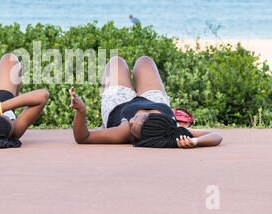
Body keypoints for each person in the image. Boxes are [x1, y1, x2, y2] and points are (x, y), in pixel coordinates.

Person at [68, 56, 222, 148]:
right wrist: (195, 141)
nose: (131, 122)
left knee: (116, 62)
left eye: (133, 127)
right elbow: (216, 135)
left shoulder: (124, 130)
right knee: (145, 61)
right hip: (155, 100)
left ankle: (105, 123)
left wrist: (81, 111)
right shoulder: (169, 127)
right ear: (153, 118)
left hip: (118, 104)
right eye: (136, 120)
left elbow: (83, 138)